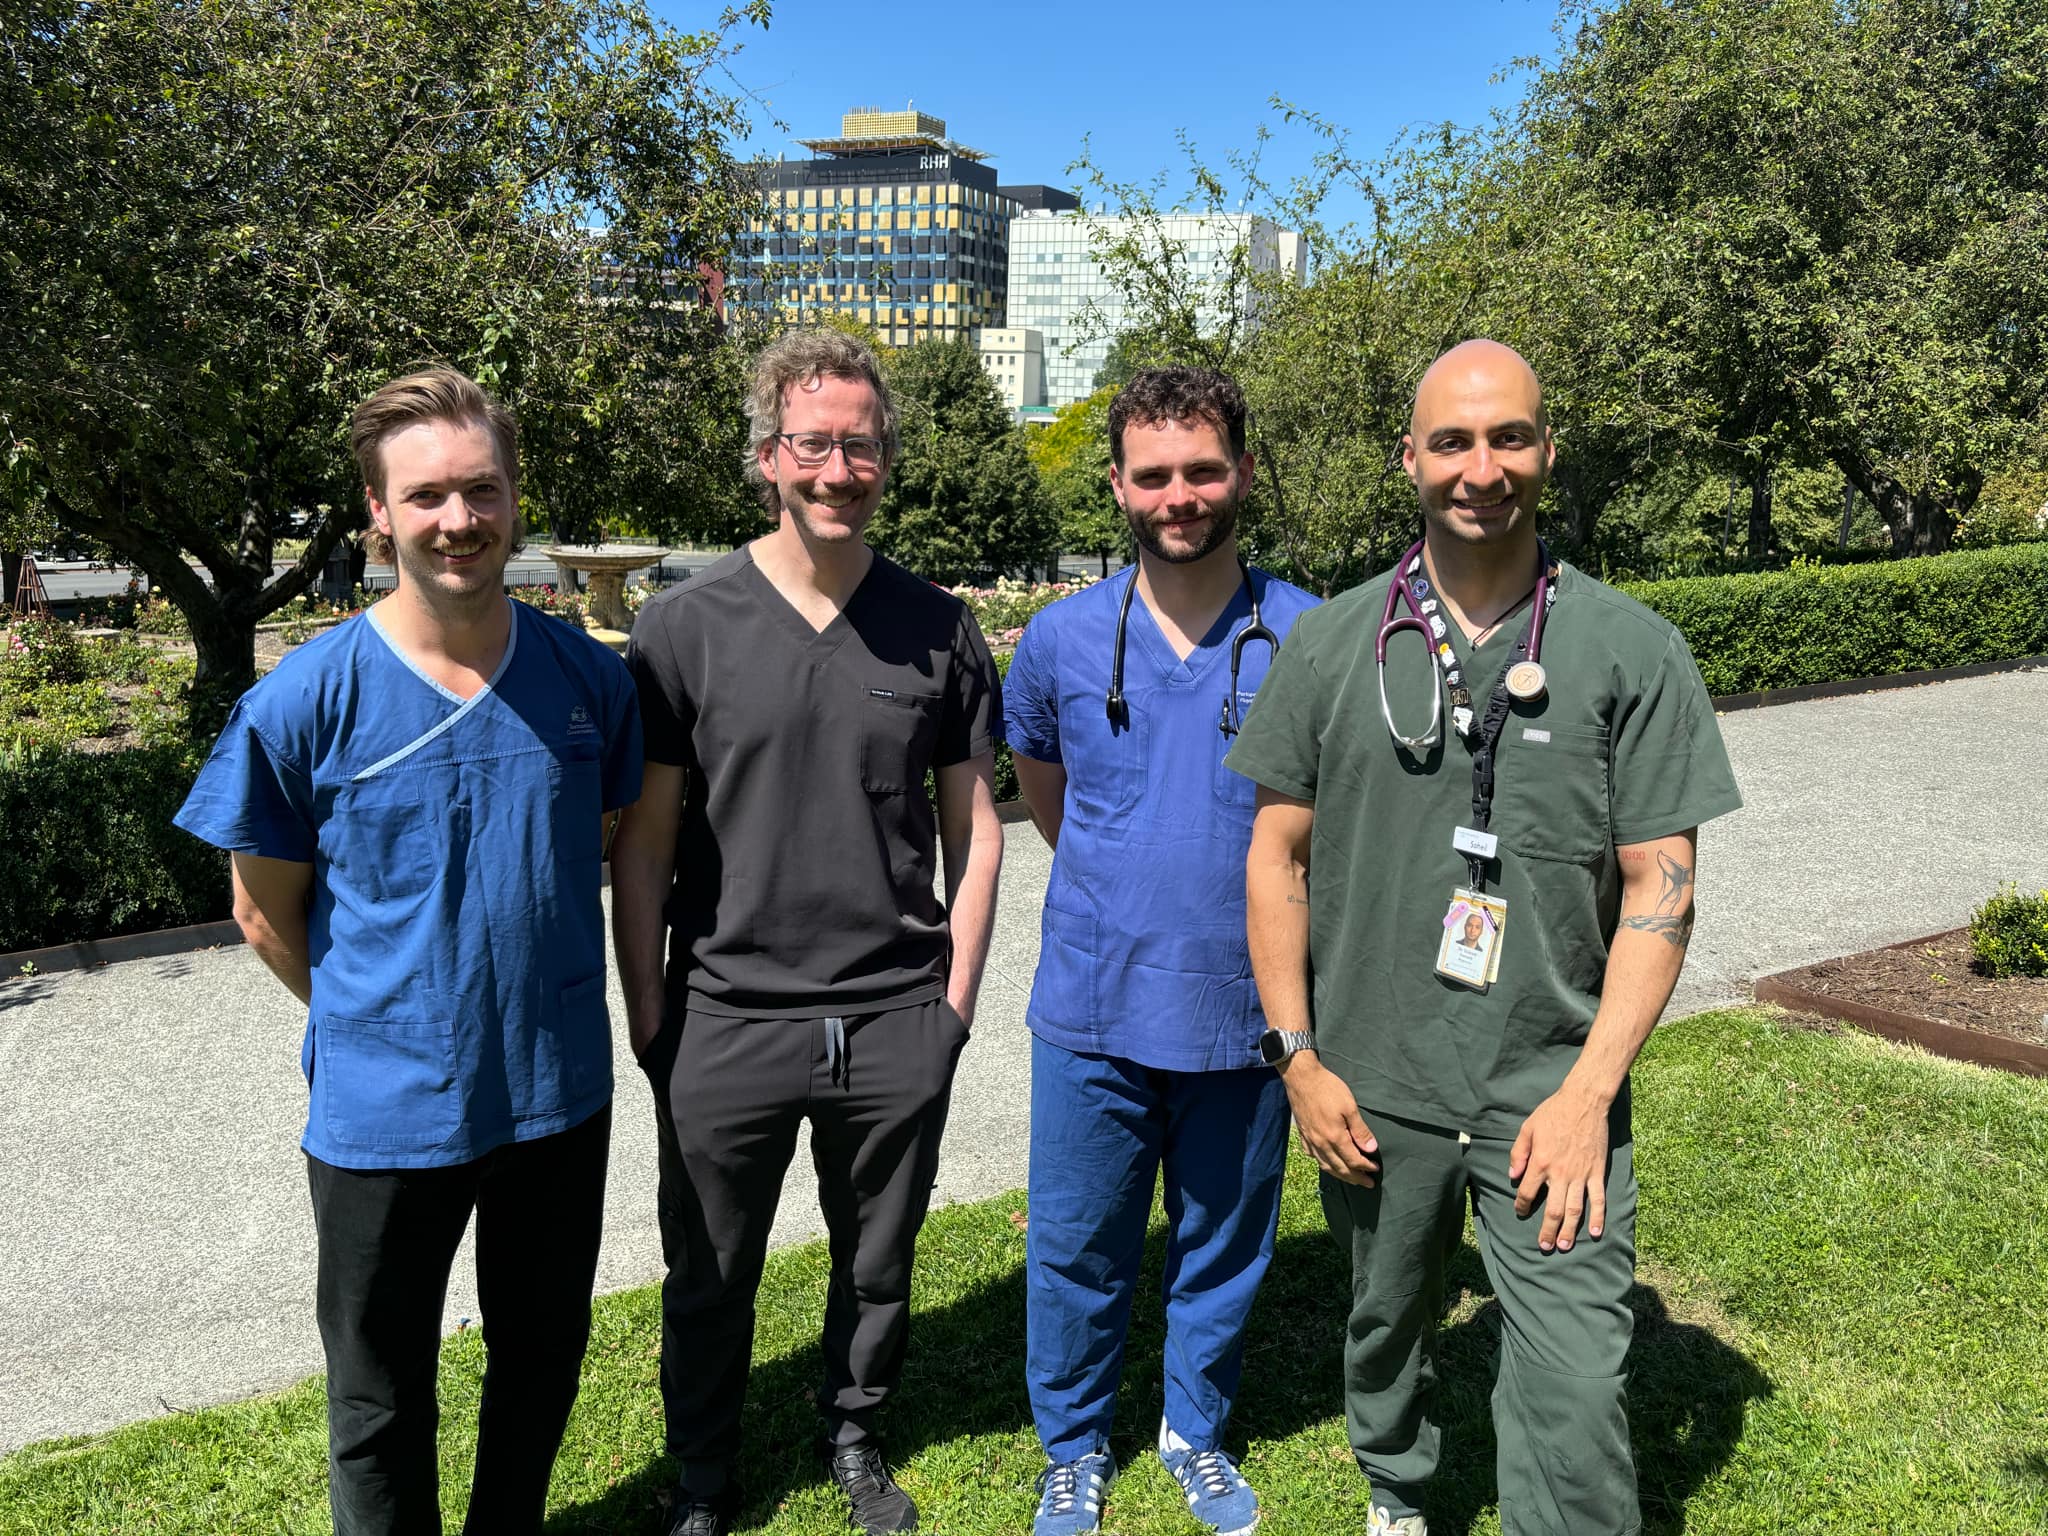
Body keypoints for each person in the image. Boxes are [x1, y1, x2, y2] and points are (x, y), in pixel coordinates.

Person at [1225, 339, 1742, 1536]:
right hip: (1371, 1078)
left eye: (1507, 436)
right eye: (1452, 440)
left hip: (1546, 1090)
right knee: (1382, 1321)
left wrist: (1586, 1095)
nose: (1480, 467)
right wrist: (1296, 1057)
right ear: (1409, 459)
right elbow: (1274, 857)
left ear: (1544, 451)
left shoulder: (1629, 650)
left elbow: (1660, 892)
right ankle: (1395, 1489)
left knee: (1570, 1383)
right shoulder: (1332, 643)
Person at [174, 365, 643, 1536]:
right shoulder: (306, 701)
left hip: (555, 1099)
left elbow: (606, 842)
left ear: (514, 495)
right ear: (377, 513)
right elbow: (262, 911)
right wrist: (386, 1019)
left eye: (480, 490)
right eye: (425, 495)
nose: (458, 520)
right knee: (379, 1402)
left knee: (538, 1370)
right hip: (384, 1115)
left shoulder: (588, 682)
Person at [609, 328, 1005, 1536]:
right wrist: (651, 1015)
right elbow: (646, 840)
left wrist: (951, 1010)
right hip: (726, 1016)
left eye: (860, 444)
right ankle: (703, 1483)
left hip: (893, 1015)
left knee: (877, 1265)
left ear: (887, 456)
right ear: (768, 457)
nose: (838, 468)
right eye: (812, 444)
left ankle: (853, 1433)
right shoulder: (683, 630)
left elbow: (976, 828)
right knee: (709, 1275)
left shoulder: (937, 629)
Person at [1002, 367, 1319, 1536]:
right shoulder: (1059, 640)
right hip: (1091, 1004)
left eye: (1200, 469)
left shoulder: (1310, 634)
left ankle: (1194, 1431)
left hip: (1246, 1009)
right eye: (1153, 474)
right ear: (1120, 485)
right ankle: (1073, 1449)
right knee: (1076, 1247)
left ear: (1237, 470)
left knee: (1221, 1244)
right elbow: (1048, 795)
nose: (1177, 495)